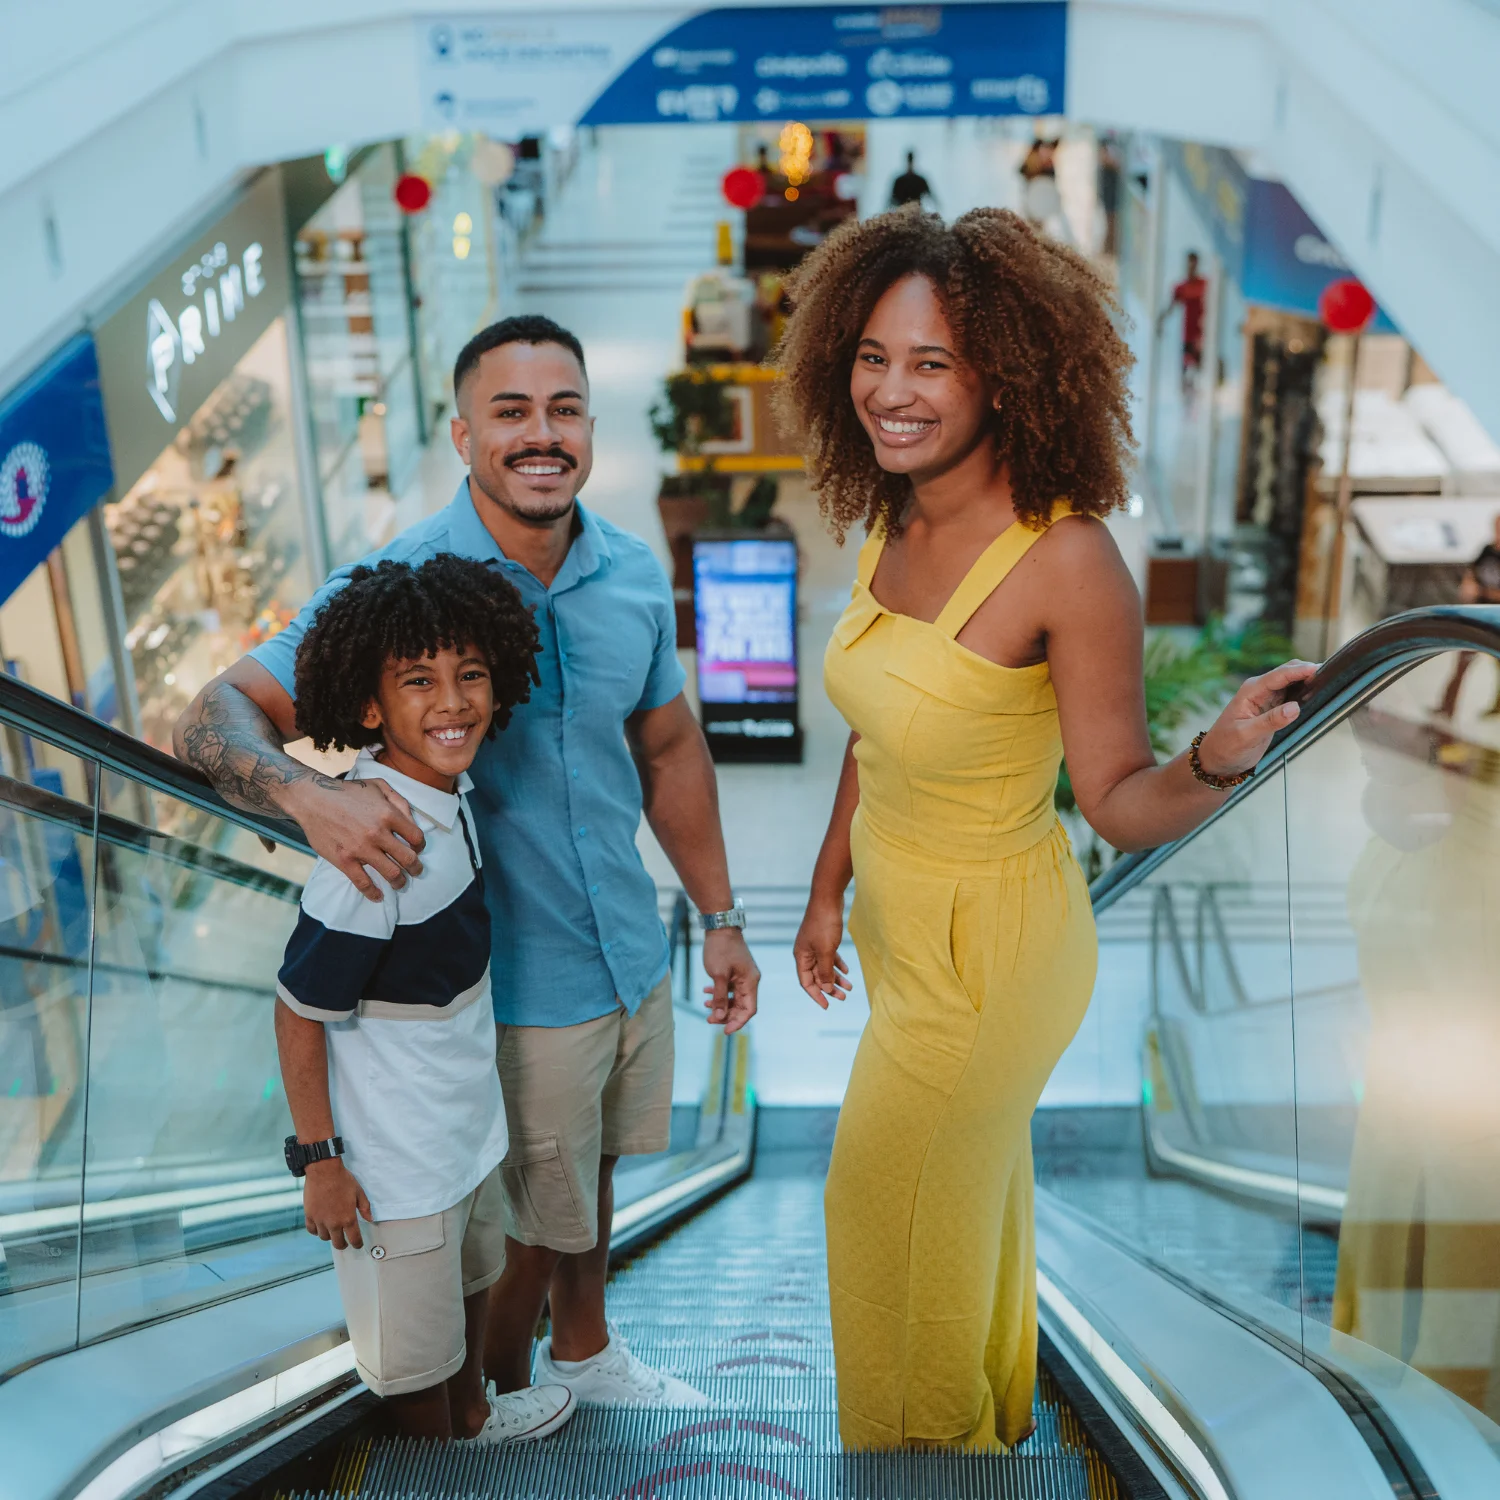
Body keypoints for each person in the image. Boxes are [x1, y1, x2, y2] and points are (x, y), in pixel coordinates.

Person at [773, 208, 1313, 1451]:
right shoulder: (887, 516)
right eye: (870, 354)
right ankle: (985, 1416)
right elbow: (875, 738)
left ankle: (929, 1457)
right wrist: (822, 891)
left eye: (931, 364)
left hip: (994, 949)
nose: (889, 393)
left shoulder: (1067, 562)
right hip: (903, 927)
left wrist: (1216, 759)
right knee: (964, 1199)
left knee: (876, 1209)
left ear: (1003, 374)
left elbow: (1119, 802)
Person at [174, 313, 760, 1409]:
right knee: (530, 1220)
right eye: (511, 412)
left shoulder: (629, 572)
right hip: (515, 986)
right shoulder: (403, 590)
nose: (541, 435)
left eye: (564, 409)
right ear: (461, 435)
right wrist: (309, 798)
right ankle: (493, 1409)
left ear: (590, 426)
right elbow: (210, 719)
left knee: (593, 1175)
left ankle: (586, 1353)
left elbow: (669, 744)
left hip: (629, 948)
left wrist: (718, 915)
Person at [274, 553, 574, 1441]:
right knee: (413, 1363)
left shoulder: (447, 795)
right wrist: (320, 1160)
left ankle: (475, 1417)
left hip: (462, 1134)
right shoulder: (375, 848)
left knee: (474, 1278)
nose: (453, 701)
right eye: (419, 681)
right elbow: (297, 1009)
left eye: (470, 674)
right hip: (393, 1171)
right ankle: (440, 1453)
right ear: (371, 707)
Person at [1435, 512, 1500, 717]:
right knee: (1462, 664)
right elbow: (1472, 570)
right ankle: (1447, 707)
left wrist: (1482, 591)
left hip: (1496, 620)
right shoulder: (1488, 550)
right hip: (1477, 618)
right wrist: (1469, 583)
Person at [1158, 251, 1208, 392]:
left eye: (1194, 262)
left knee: (1200, 367)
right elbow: (1171, 307)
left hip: (1201, 335)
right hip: (1187, 334)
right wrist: (1160, 320)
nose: (1191, 266)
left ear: (1197, 264)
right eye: (1189, 262)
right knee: (1185, 371)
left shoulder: (1204, 284)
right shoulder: (1181, 287)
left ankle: (1199, 395)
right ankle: (1187, 397)